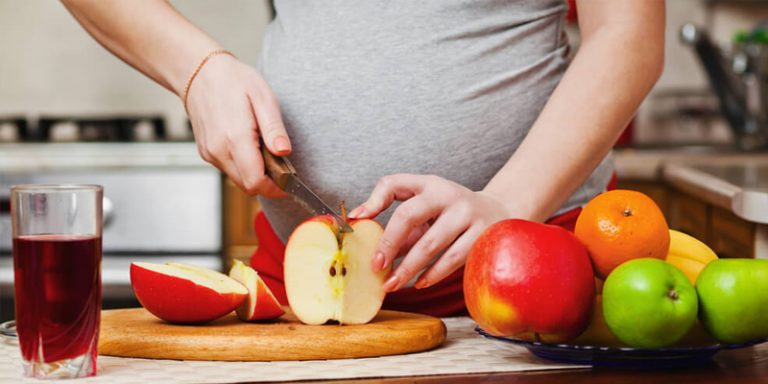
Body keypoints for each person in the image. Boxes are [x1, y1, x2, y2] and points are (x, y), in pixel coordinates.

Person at [61, 0, 665, 316]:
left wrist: (508, 203)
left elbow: (629, 34)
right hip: (301, 295)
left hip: (537, 283)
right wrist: (195, 69)